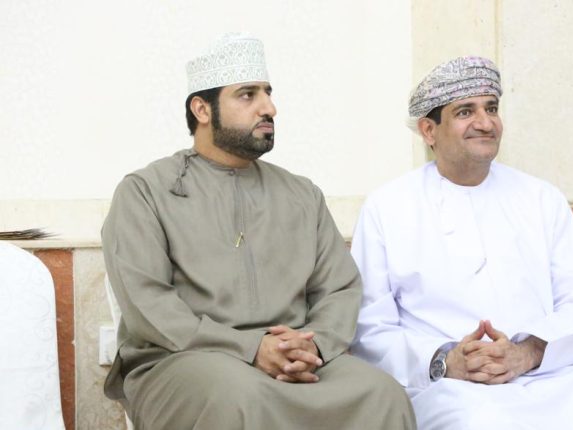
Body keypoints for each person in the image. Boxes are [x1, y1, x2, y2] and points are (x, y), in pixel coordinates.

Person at [350, 56, 573, 429]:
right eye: (465, 112)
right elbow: (369, 329)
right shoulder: (387, 207)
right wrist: (445, 360)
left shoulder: (541, 198)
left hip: (553, 376)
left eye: (491, 108)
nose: (485, 122)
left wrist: (527, 352)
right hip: (452, 389)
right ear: (429, 130)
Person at [101, 33, 415, 429]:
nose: (269, 108)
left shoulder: (301, 194)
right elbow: (149, 306)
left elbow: (338, 288)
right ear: (202, 109)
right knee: (238, 396)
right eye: (248, 95)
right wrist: (251, 348)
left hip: (297, 357)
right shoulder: (146, 191)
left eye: (267, 93)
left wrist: (313, 344)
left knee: (382, 394)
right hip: (182, 360)